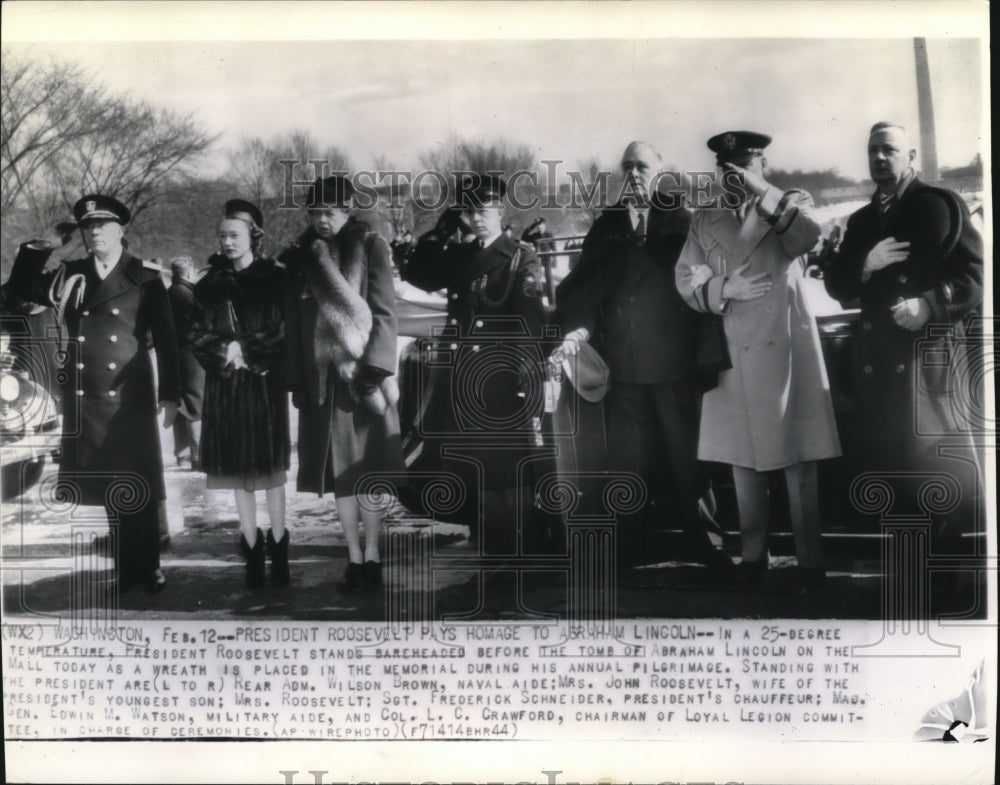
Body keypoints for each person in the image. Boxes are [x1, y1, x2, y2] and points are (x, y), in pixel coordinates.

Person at [555, 140, 731, 574]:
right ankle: (629, 548)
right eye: (628, 165)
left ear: (660, 171)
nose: (634, 173)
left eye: (643, 166)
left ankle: (705, 543)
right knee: (627, 463)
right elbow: (584, 288)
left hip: (675, 366)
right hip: (625, 369)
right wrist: (578, 330)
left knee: (688, 458)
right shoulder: (608, 226)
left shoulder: (684, 220)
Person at [675, 131, 841, 590]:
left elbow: (808, 238)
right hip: (732, 341)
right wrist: (720, 290)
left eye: (744, 168)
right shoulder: (706, 217)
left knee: (798, 456)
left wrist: (762, 194)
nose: (735, 177)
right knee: (742, 456)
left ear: (762, 165)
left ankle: (810, 562)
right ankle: (753, 555)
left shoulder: (789, 204)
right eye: (727, 170)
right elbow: (685, 277)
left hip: (784, 343)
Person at [6, 194, 179, 592]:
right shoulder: (71, 273)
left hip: (130, 393)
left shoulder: (146, 276)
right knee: (110, 482)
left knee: (138, 479)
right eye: (88, 227)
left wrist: (171, 393)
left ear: (122, 230)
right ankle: (125, 567)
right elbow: (18, 290)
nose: (95, 232)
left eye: (103, 225)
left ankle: (147, 565)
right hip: (88, 394)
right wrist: (45, 245)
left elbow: (169, 341)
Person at [823, 122, 983, 548]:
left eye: (889, 149)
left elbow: (976, 276)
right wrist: (864, 266)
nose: (879, 157)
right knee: (889, 469)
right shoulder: (859, 220)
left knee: (932, 468)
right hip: (877, 366)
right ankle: (906, 573)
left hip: (924, 361)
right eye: (873, 150)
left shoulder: (939, 206)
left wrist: (929, 305)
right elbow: (838, 287)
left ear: (911, 156)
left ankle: (946, 575)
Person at [403, 174, 552, 556]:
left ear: (500, 211)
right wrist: (439, 231)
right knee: (466, 462)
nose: (478, 218)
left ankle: (517, 549)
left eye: (485, 210)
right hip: (458, 376)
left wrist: (525, 375)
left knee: (503, 467)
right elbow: (417, 274)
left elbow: (530, 320)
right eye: (470, 210)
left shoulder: (521, 256)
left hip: (498, 377)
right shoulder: (459, 255)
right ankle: (485, 539)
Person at [281, 176, 404, 593]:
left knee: (364, 473)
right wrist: (297, 379)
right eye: (315, 213)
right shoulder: (302, 255)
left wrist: (375, 369)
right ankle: (353, 557)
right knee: (339, 476)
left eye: (330, 212)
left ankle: (374, 556)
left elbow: (386, 313)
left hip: (363, 379)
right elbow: (295, 325)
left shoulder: (370, 245)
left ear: (347, 209)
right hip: (323, 382)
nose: (322, 220)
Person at [188, 200, 291, 589]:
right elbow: (195, 332)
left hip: (264, 384)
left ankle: (279, 547)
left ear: (254, 236)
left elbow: (284, 327)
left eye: (235, 235)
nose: (227, 242)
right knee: (237, 474)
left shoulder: (276, 278)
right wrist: (225, 352)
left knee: (271, 473)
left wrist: (248, 349)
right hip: (227, 385)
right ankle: (251, 546)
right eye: (222, 236)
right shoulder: (208, 284)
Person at [167, 256, 205, 469]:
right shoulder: (189, 295)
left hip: (174, 356)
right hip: (192, 356)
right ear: (189, 271)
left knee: (180, 405)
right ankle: (198, 456)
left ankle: (181, 454)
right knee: (196, 406)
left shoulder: (168, 294)